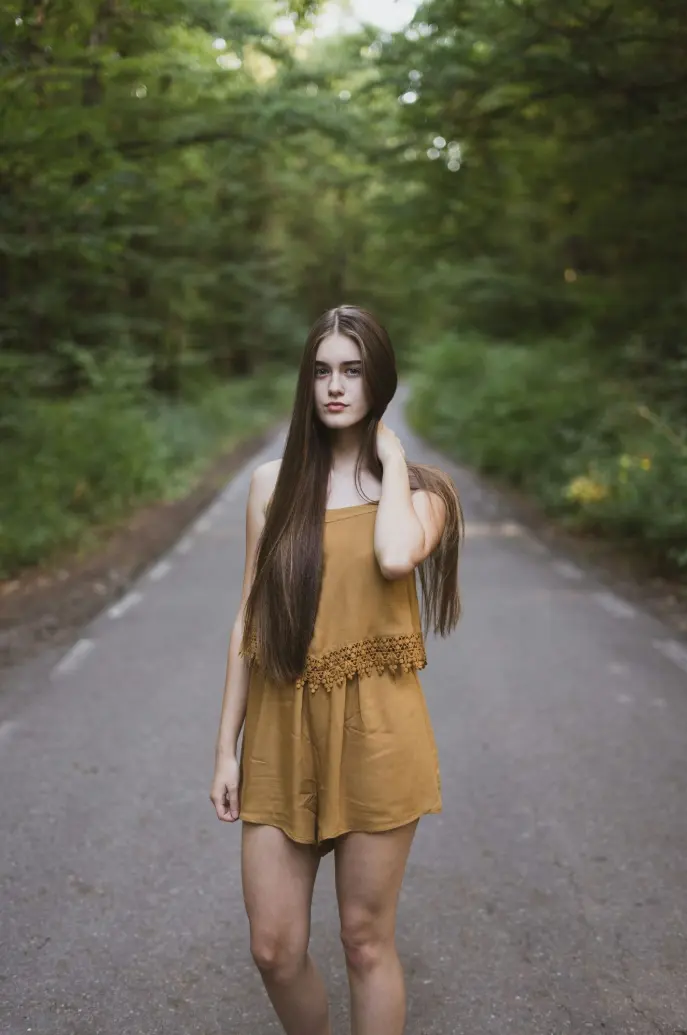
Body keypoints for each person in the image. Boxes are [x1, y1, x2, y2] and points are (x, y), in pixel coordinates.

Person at [210, 304, 463, 1035]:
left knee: (363, 939)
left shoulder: (424, 494)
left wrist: (389, 456)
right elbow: (248, 620)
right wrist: (225, 747)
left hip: (378, 732)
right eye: (321, 371)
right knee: (274, 946)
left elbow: (394, 555)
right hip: (281, 725)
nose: (335, 386)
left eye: (352, 370)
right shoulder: (271, 485)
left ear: (378, 380)